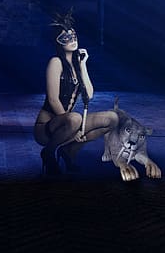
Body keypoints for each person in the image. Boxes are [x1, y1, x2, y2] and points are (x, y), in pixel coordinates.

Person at [33, 9, 118, 175]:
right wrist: (73, 127)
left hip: (70, 123)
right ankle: (48, 152)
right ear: (59, 42)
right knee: (75, 117)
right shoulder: (56, 62)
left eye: (73, 36)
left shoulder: (77, 64)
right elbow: (53, 99)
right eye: (66, 38)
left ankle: (69, 151)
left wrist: (83, 64)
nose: (71, 40)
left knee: (113, 118)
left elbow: (90, 94)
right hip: (47, 129)